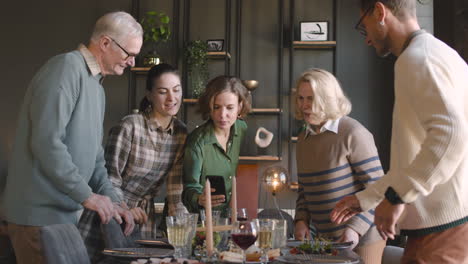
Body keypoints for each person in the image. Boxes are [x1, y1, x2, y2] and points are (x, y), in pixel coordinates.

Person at [330, 1, 468, 263]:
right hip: (445, 227)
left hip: (441, 232)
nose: (367, 40)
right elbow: (414, 159)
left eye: (364, 26)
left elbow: (452, 135)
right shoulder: (443, 54)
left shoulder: (417, 59)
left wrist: (396, 197)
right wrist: (366, 198)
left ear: (380, 13)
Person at [0, 11, 142, 263]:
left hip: (62, 218)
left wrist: (116, 203)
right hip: (37, 217)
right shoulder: (66, 67)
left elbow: (96, 160)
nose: (131, 62)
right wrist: (87, 196)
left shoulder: (97, 88)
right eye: (128, 54)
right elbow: (46, 142)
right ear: (105, 43)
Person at [78, 63, 188, 262]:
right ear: (149, 95)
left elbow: (175, 193)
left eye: (176, 90)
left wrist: (186, 227)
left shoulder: (181, 134)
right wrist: (125, 208)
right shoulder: (130, 126)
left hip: (144, 220)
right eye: (163, 92)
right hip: (110, 212)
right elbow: (108, 180)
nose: (172, 98)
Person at [293, 68, 385, 263]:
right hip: (325, 240)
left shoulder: (353, 133)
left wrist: (355, 229)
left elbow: (379, 189)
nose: (304, 105)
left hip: (364, 237)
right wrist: (301, 220)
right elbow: (304, 190)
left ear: (327, 99)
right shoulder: (303, 139)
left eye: (311, 99)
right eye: (301, 98)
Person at [182, 76, 251, 217]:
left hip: (228, 218)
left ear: (240, 107)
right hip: (200, 222)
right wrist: (199, 198)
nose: (222, 115)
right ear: (209, 106)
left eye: (230, 108)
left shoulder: (241, 128)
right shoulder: (197, 142)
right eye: (217, 107)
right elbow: (188, 189)